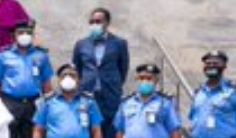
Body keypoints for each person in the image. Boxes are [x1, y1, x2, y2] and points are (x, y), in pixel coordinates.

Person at [0, 20, 54, 138]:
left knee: (32, 133)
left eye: (28, 32)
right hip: (10, 103)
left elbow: (47, 82)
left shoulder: (41, 55)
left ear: (32, 35)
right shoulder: (3, 55)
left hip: (33, 103)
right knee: (9, 133)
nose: (24, 35)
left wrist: (50, 105)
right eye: (21, 32)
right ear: (14, 35)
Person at [72, 8, 129, 138]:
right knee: (89, 127)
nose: (94, 24)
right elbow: (77, 69)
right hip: (88, 94)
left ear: (107, 23)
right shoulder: (81, 44)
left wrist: (114, 84)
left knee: (111, 128)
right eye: (91, 21)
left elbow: (123, 68)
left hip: (110, 94)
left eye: (98, 21)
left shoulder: (119, 43)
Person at [33, 63, 103, 138]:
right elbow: (38, 130)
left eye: (72, 75)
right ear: (59, 80)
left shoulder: (89, 102)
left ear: (79, 80)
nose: (68, 78)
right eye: (64, 75)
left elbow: (96, 131)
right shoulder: (48, 102)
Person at [113, 64, 181, 138]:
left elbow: (174, 131)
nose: (145, 81)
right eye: (141, 78)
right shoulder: (126, 103)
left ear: (156, 81)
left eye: (149, 78)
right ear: (137, 80)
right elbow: (120, 131)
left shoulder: (165, 103)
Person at [188, 50, 236, 138]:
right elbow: (194, 120)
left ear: (224, 66)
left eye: (215, 63)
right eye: (208, 63)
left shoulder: (235, 91)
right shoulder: (198, 93)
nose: (211, 66)